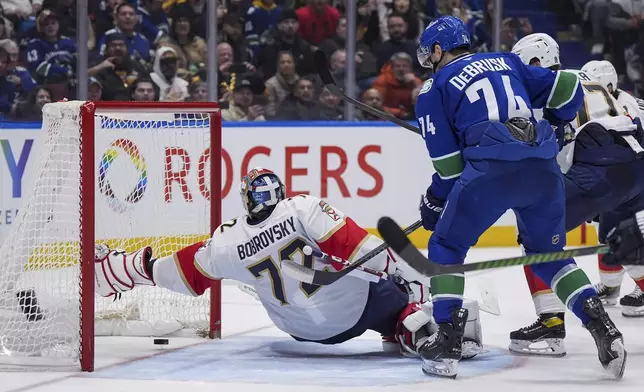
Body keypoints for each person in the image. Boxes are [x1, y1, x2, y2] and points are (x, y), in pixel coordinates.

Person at [93, 168, 483, 374]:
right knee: (400, 295)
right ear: (279, 192)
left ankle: (111, 272)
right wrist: (410, 276)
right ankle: (419, 332)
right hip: (352, 311)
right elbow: (363, 251)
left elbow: (180, 273)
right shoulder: (301, 208)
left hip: (298, 330)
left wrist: (127, 269)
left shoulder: (227, 242)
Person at [414, 16, 625, 378]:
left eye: (429, 55)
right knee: (549, 257)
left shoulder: (434, 90)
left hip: (490, 175)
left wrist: (434, 202)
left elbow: (449, 171)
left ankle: (447, 340)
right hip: (543, 171)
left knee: (447, 247)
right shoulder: (507, 62)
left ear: (437, 49)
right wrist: (557, 124)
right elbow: (570, 84)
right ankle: (603, 326)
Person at [509, 33, 644, 358]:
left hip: (600, 167)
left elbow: (539, 150)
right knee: (624, 242)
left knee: (536, 230)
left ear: (537, 61)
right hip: (638, 168)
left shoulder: (544, 87)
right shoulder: (585, 77)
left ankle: (551, 322)